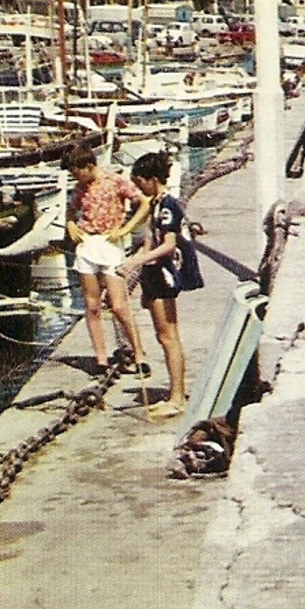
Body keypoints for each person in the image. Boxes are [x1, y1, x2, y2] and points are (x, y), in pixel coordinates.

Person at [63, 145, 149, 377]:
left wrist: (126, 228)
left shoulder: (115, 181)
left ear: (89, 166)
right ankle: (101, 359)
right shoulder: (79, 189)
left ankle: (139, 354)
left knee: (118, 305)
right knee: (92, 306)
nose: (76, 178)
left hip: (109, 245)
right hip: (88, 245)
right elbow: (71, 210)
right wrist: (70, 223)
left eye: (77, 173)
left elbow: (144, 203)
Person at [119, 152, 190, 420]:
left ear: (152, 179)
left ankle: (177, 398)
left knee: (168, 336)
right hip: (152, 275)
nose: (138, 189)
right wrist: (133, 263)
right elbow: (149, 241)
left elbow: (168, 245)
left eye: (140, 183)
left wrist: (138, 261)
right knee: (164, 336)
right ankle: (175, 394)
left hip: (164, 275)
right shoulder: (155, 203)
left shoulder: (168, 205)